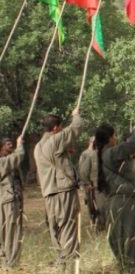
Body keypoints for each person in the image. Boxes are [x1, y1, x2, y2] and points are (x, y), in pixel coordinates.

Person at [33, 109, 82, 271]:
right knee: (68, 226)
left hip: (48, 193)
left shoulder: (38, 147)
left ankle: (61, 265)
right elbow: (76, 127)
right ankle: (71, 267)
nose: (61, 129)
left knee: (55, 230)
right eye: (60, 127)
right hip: (63, 191)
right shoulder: (55, 139)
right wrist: (75, 114)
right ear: (55, 128)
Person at [96, 124, 135, 273]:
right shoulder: (110, 153)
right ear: (109, 138)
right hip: (124, 202)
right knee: (131, 239)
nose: (115, 138)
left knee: (123, 238)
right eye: (114, 136)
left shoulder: (103, 154)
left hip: (118, 201)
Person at [0, 135, 24, 268]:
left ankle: (5, 260)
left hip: (10, 198)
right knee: (11, 230)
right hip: (7, 199)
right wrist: (19, 144)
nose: (11, 145)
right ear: (2, 147)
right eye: (8, 144)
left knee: (5, 230)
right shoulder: (3, 162)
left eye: (11, 143)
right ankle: (11, 262)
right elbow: (17, 157)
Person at [78, 135, 108, 231]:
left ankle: (102, 225)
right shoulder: (86, 154)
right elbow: (83, 170)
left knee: (102, 206)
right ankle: (96, 224)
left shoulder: (101, 154)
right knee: (92, 207)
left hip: (100, 185)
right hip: (91, 185)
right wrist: (87, 183)